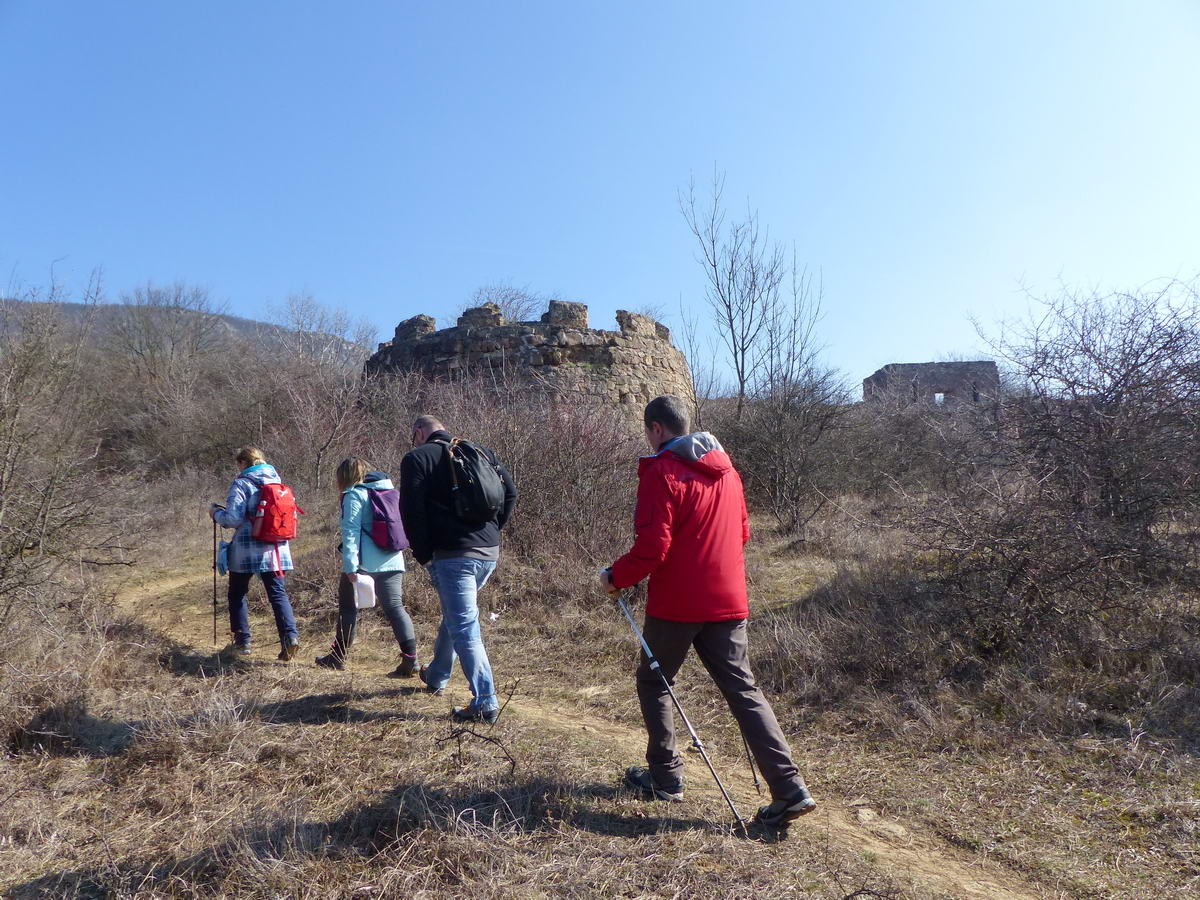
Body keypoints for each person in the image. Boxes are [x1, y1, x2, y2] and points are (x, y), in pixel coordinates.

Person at [599, 395, 816, 828]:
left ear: (656, 429)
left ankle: (666, 777)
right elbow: (743, 534)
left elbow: (652, 548)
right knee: (744, 691)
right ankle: (790, 789)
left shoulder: (661, 470)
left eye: (648, 432)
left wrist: (614, 577)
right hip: (729, 600)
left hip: (678, 603)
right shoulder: (729, 472)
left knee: (655, 680)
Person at [400, 415, 517, 724]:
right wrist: (492, 530)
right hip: (488, 552)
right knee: (456, 615)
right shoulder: (479, 450)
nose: (413, 442)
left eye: (414, 437)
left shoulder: (417, 458)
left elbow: (411, 511)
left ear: (420, 432)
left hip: (453, 556)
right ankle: (437, 675)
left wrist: (423, 554)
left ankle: (485, 702)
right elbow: (511, 492)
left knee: (465, 627)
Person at [315, 458, 419, 676]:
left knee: (347, 607)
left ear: (343, 476)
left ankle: (337, 657)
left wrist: (350, 566)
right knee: (395, 608)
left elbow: (350, 533)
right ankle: (411, 660)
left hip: (363, 564)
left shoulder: (354, 495)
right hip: (393, 559)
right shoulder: (390, 492)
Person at [210, 446, 301, 660]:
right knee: (278, 594)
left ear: (243, 463)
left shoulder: (242, 483)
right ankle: (290, 638)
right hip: (277, 549)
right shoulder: (277, 482)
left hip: (246, 549)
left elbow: (233, 519)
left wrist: (215, 513)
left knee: (237, 593)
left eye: (238, 464)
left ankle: (243, 642)